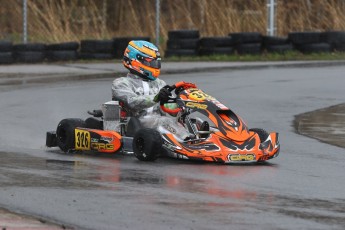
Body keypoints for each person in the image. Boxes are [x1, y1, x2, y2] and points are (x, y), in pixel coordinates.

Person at [111, 40, 192, 140]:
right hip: (135, 123)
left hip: (157, 124)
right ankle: (187, 142)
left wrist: (181, 100)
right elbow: (132, 101)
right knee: (164, 122)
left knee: (189, 122)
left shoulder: (160, 84)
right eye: (151, 63)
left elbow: (171, 110)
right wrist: (156, 97)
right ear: (136, 61)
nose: (155, 66)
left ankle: (199, 138)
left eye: (156, 63)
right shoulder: (121, 83)